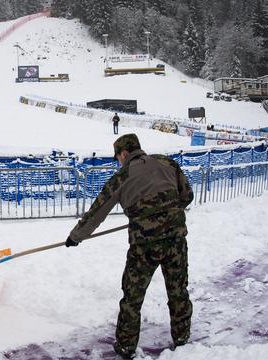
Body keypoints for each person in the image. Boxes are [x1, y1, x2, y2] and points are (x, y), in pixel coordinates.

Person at [65, 134, 194, 359]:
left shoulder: (122, 176)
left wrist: (76, 236)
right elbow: (187, 195)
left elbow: (97, 212)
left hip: (144, 247)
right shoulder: (167, 162)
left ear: (123, 153)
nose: (119, 162)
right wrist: (167, 211)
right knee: (178, 291)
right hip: (176, 240)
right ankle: (182, 338)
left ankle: (126, 347)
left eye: (118, 158)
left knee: (132, 298)